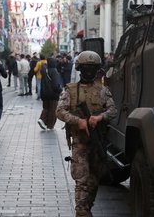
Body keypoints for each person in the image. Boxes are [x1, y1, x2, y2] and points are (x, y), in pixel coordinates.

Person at [56, 50, 117, 217]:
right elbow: (60, 111)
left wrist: (99, 117)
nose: (89, 71)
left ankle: (86, 209)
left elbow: (112, 111)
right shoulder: (71, 90)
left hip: (98, 142)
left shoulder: (103, 90)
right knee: (82, 180)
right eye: (86, 67)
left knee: (94, 179)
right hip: (80, 141)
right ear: (79, 68)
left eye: (92, 68)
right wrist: (79, 121)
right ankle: (81, 212)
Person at [38, 57, 63, 130]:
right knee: (53, 110)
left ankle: (42, 120)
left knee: (46, 108)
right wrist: (60, 90)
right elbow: (55, 85)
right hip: (53, 94)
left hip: (45, 94)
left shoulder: (45, 70)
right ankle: (50, 126)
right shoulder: (54, 71)